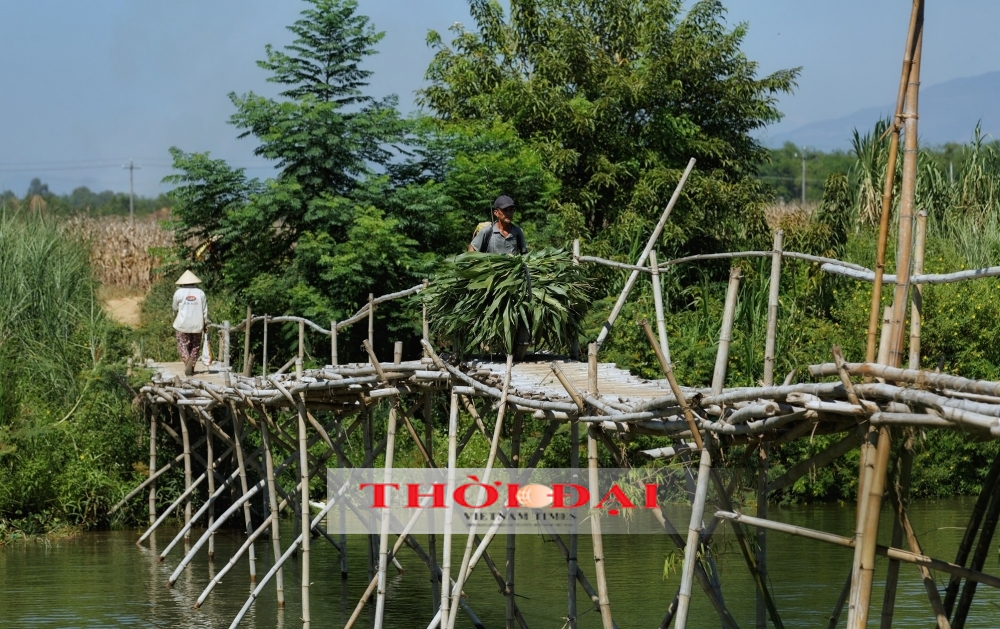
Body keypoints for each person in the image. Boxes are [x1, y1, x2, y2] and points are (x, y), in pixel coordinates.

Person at [172, 270, 208, 376]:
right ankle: (192, 364)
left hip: (182, 324)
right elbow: (205, 311)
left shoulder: (178, 293)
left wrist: (175, 316)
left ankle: (187, 362)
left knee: (182, 345)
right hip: (197, 324)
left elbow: (174, 308)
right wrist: (206, 323)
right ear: (194, 282)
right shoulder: (200, 293)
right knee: (195, 345)